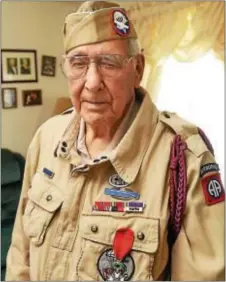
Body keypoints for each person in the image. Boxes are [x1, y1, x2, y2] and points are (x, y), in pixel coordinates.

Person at [6, 1, 224, 281]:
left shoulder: (185, 158)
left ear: (138, 69)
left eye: (109, 62)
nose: (93, 81)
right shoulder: (46, 137)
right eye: (78, 63)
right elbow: (19, 252)